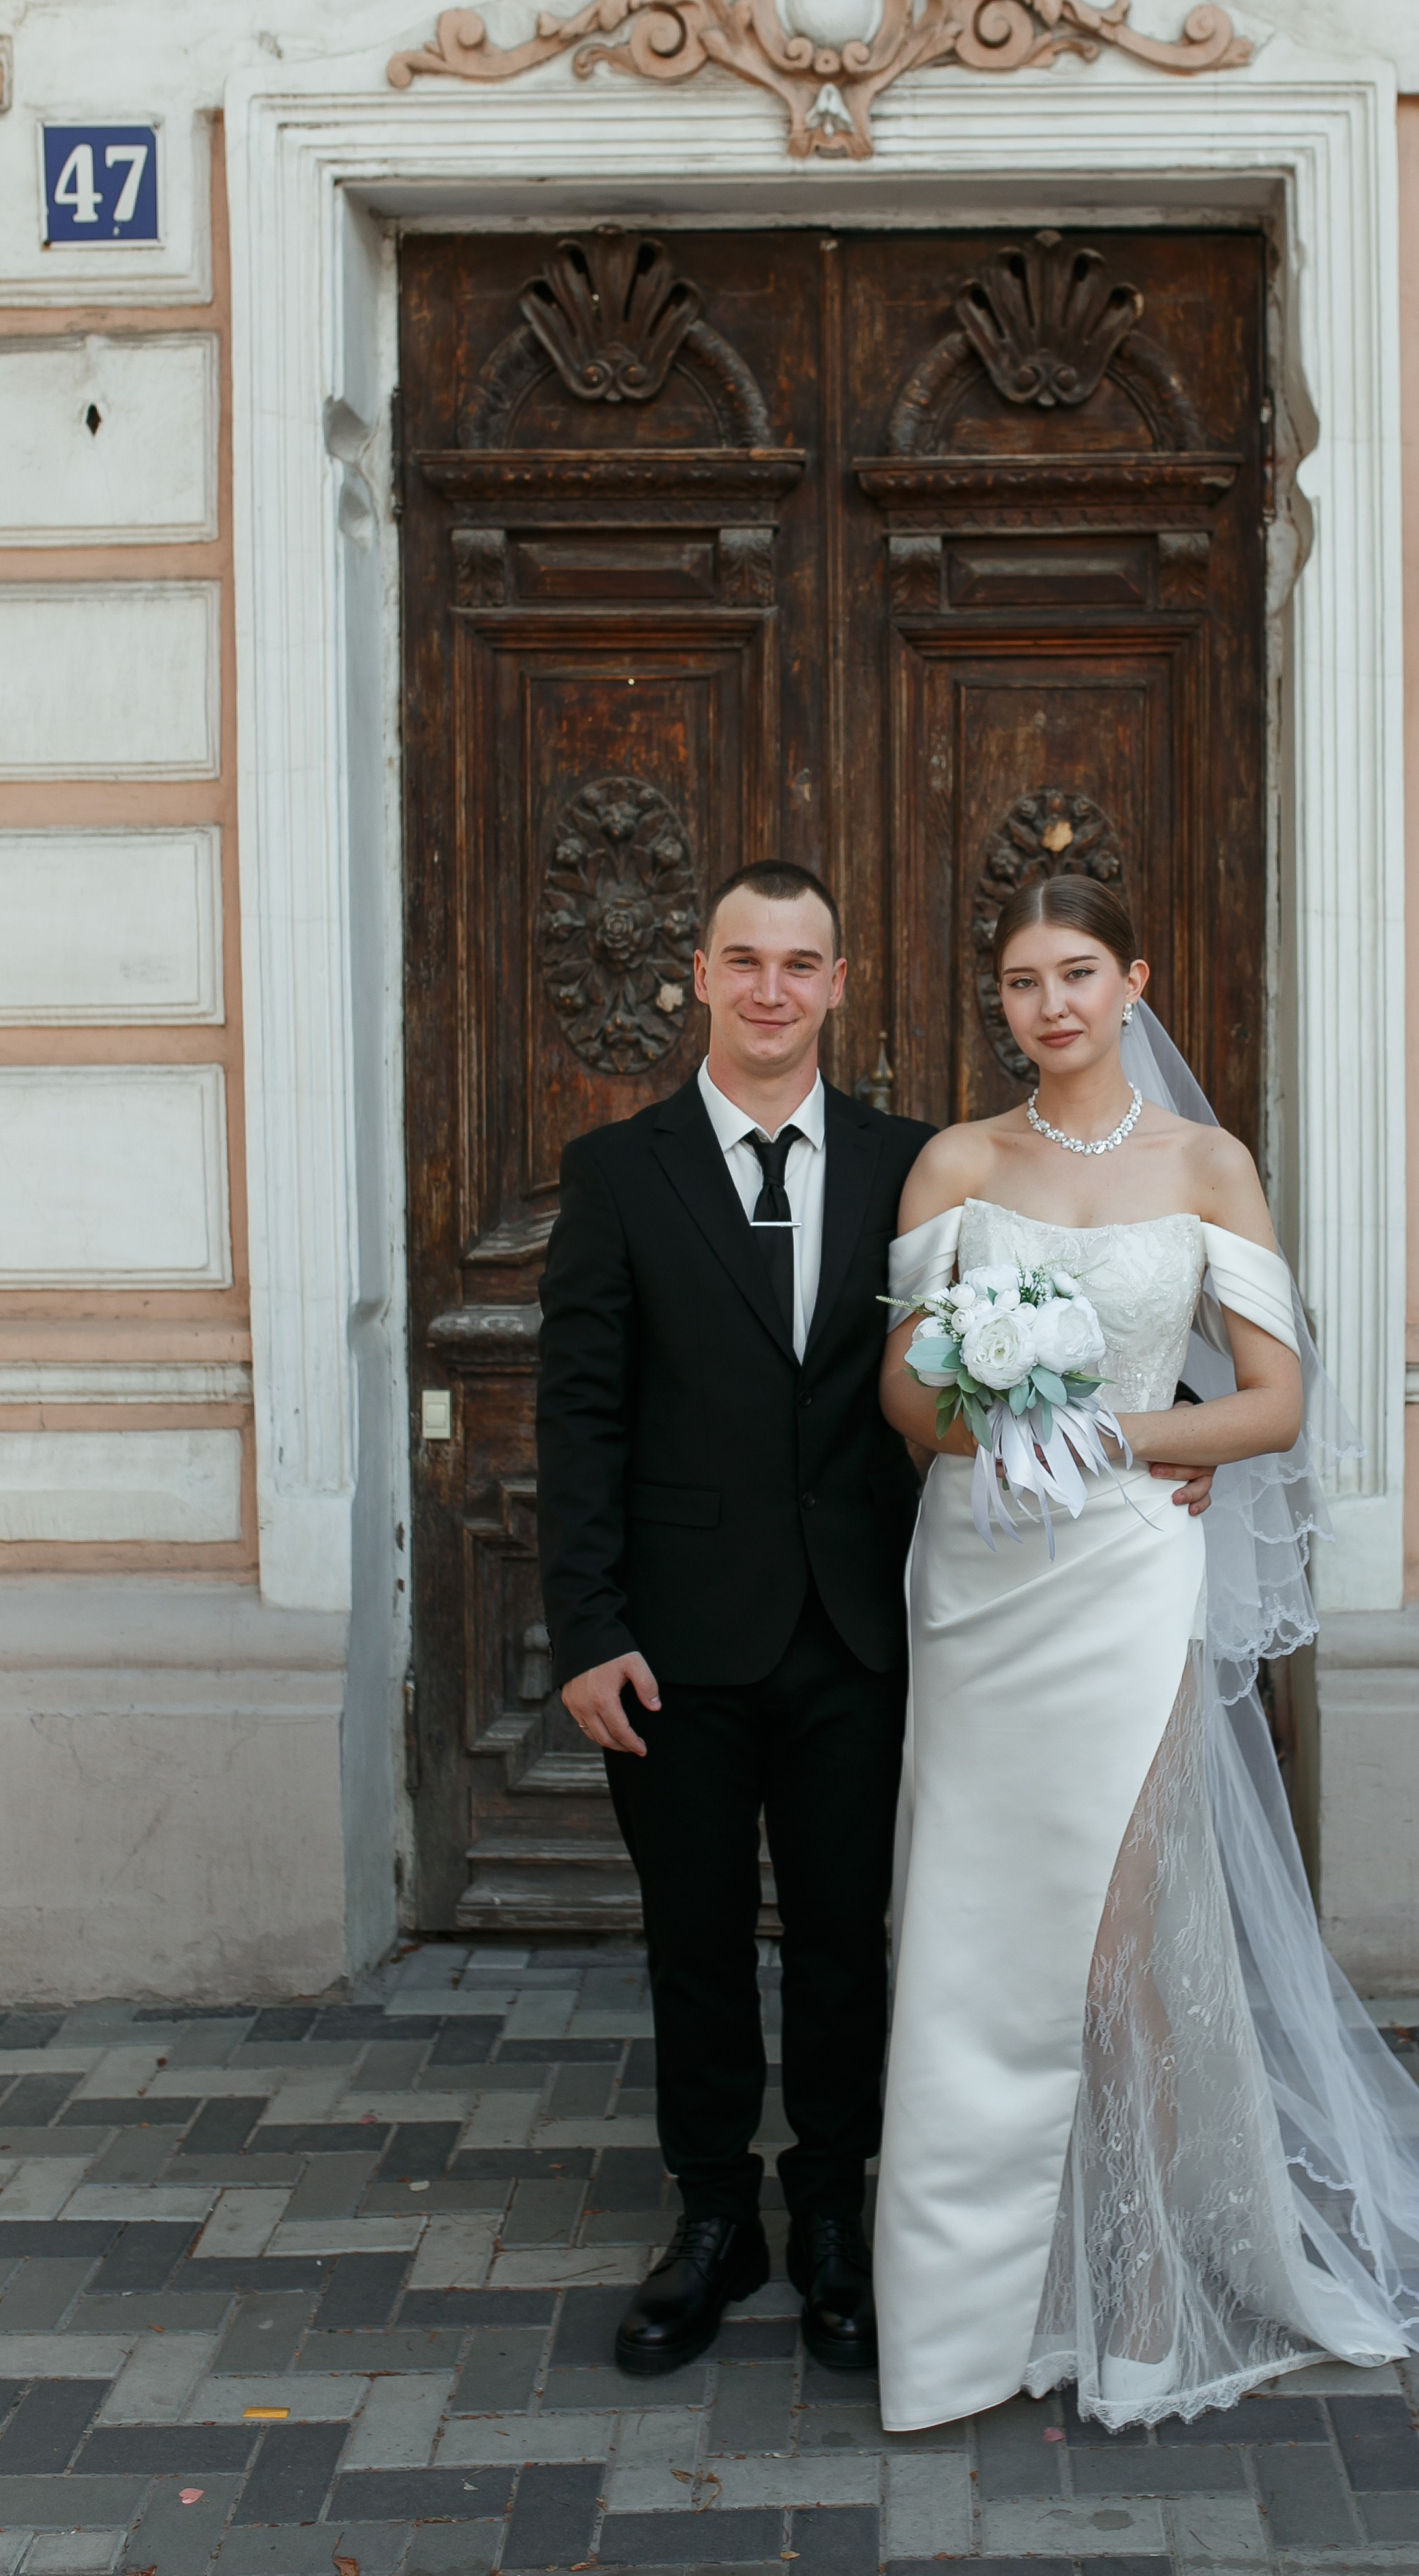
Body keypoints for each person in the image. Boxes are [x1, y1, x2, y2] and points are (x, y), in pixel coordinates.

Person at [872, 875, 1419, 2434]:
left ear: (1133, 979)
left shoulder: (1204, 1162)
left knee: (1117, 1946)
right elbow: (906, 1403)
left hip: (1124, 1582)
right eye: (1016, 981)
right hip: (982, 1578)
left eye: (1074, 973)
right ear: (994, 1002)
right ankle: (958, 2308)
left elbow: (1269, 1399)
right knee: (968, 1930)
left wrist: (1109, 1432)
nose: (1047, 1005)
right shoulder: (953, 1162)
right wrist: (994, 1416)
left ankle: (1135, 2293)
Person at [536, 860, 1217, 2376]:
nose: (772, 989)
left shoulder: (924, 1162)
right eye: (743, 960)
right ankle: (711, 2218)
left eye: (801, 963)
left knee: (852, 1940)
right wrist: (584, 1629)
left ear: (839, 986)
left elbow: (1042, 1323)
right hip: (675, 1641)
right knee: (694, 1942)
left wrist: (1172, 1446)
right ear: (698, 978)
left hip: (869, 1628)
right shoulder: (616, 1172)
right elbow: (577, 1415)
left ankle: (833, 2218)